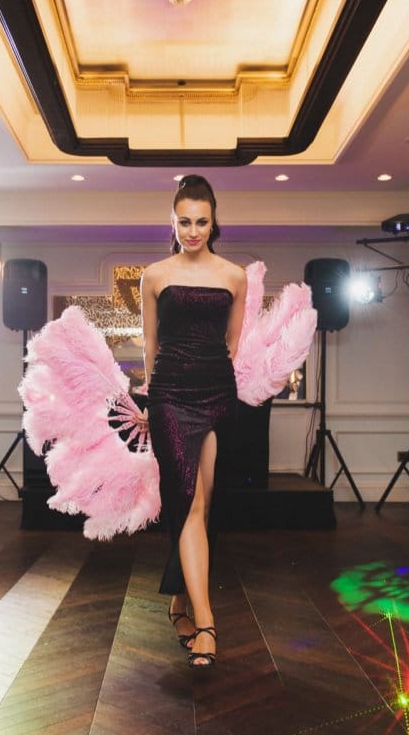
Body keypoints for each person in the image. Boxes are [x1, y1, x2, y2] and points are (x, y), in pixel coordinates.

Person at [139, 175, 246, 669]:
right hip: (170, 396)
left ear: (214, 220)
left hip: (217, 392)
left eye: (202, 221)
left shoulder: (234, 276)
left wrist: (221, 382)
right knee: (189, 502)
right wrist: (149, 399)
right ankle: (206, 623)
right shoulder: (155, 275)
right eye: (185, 221)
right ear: (173, 220)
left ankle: (180, 602)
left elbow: (233, 344)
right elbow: (150, 344)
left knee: (202, 507)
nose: (193, 230)